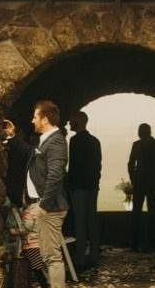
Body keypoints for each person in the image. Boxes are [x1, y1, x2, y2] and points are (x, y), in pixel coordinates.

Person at [4, 100, 69, 288]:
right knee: (43, 254)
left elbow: (56, 175)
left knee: (51, 257)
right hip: (41, 206)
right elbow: (31, 153)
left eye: (35, 117)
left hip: (48, 208)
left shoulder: (56, 141)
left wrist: (43, 205)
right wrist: (13, 136)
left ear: (45, 119)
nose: (32, 121)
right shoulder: (47, 139)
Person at [67, 111, 102, 270]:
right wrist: (94, 183)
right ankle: (94, 254)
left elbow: (74, 167)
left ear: (79, 122)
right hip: (92, 186)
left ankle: (80, 258)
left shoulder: (74, 141)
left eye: (72, 120)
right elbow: (97, 166)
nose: (69, 122)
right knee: (91, 220)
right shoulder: (95, 141)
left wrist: (70, 185)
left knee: (80, 223)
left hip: (79, 187)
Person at [127, 123, 155, 252]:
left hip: (150, 183)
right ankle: (137, 243)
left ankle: (149, 243)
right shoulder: (138, 145)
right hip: (142, 183)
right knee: (138, 213)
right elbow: (130, 164)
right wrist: (134, 179)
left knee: (150, 213)